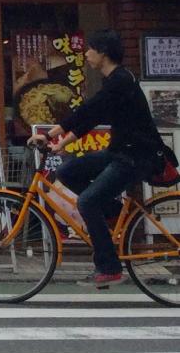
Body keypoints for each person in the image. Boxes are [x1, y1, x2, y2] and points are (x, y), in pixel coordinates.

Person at [34, 30, 169, 287]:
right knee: (68, 171)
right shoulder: (115, 80)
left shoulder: (120, 81)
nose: (86, 54)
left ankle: (109, 267)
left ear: (103, 52)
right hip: (120, 152)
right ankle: (113, 214)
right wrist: (61, 141)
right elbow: (91, 116)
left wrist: (52, 133)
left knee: (86, 201)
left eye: (90, 49)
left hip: (135, 156)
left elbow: (90, 110)